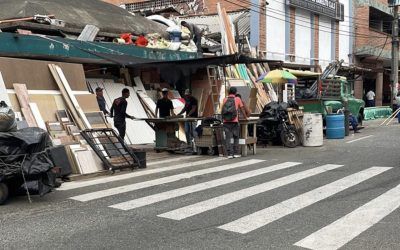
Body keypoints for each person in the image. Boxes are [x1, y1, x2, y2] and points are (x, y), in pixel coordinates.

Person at [222, 87, 248, 159]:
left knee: (228, 138)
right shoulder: (237, 99)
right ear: (235, 93)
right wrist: (245, 117)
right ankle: (236, 153)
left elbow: (223, 110)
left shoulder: (225, 99)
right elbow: (242, 109)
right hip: (234, 121)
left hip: (226, 122)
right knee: (236, 137)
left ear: (229, 92)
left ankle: (229, 154)